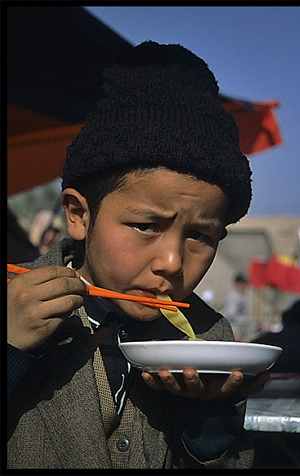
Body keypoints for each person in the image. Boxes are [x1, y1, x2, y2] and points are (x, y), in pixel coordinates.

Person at [7, 41, 270, 470]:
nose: (171, 261)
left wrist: (208, 419)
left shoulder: (209, 342)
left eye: (201, 235)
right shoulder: (12, 309)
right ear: (79, 215)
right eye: (146, 226)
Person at [224, 274, 250, 341]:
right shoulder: (234, 296)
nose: (245, 286)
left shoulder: (239, 296)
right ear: (238, 284)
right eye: (243, 284)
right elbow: (231, 315)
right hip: (234, 329)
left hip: (239, 328)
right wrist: (234, 332)